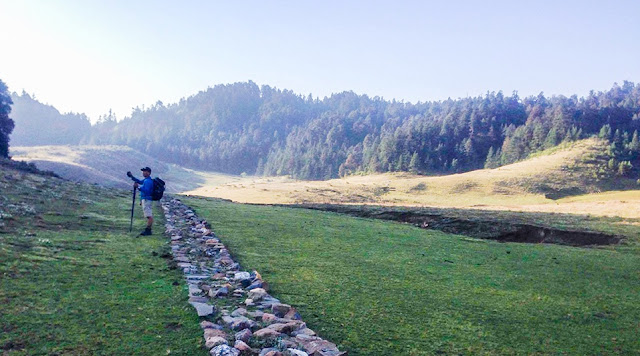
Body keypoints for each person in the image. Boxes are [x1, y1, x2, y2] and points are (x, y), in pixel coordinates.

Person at [127, 167, 154, 236]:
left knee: (149, 215)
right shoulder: (146, 180)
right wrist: (132, 177)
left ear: (149, 173)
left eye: (145, 171)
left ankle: (148, 230)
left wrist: (138, 187)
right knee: (148, 215)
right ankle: (148, 230)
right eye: (143, 171)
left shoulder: (148, 181)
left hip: (146, 199)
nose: (143, 173)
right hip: (146, 199)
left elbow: (147, 190)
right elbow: (139, 181)